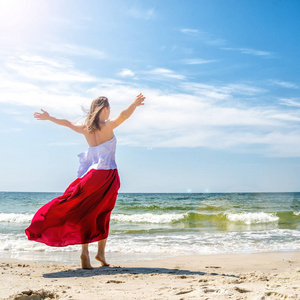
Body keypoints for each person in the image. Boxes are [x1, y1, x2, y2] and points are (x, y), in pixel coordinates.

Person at [25, 93, 146, 269]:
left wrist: (49, 118)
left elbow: (67, 122)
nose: (110, 111)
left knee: (85, 212)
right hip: (107, 175)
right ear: (105, 109)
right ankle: (100, 253)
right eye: (109, 108)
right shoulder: (107, 126)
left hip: (90, 176)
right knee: (103, 213)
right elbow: (124, 116)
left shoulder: (86, 128)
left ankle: (85, 254)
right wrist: (134, 104)